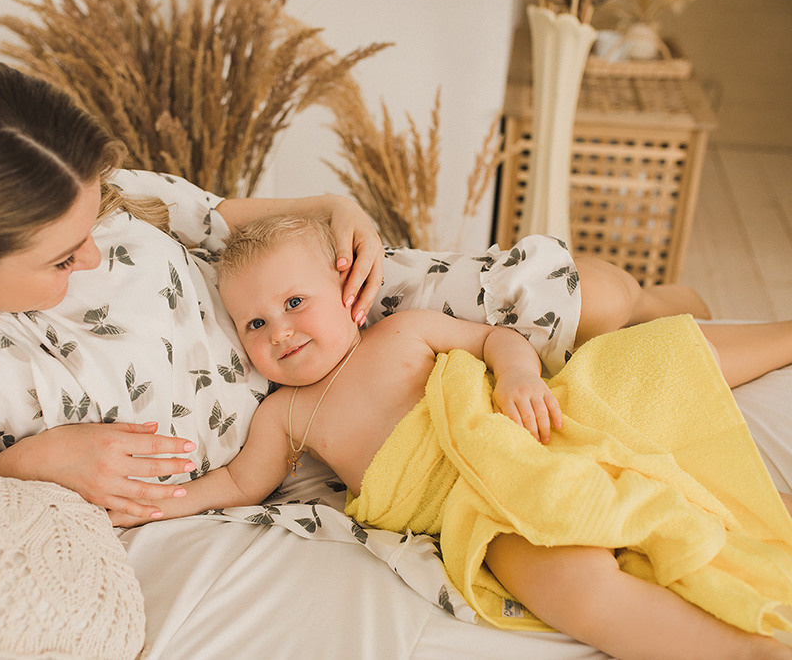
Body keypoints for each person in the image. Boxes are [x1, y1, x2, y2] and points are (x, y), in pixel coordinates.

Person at [0, 57, 727, 528]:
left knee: (580, 294)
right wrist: (40, 457)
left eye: (97, 218)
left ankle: (656, 302)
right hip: (289, 420)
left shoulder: (73, 201)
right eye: (63, 256)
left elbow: (214, 216)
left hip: (305, 301)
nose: (94, 253)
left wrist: (328, 206)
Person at [116, 214, 792, 659]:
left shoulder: (401, 331)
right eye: (253, 325)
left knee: (648, 363)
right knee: (564, 587)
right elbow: (239, 482)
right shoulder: (285, 415)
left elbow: (495, 337)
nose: (279, 331)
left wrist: (520, 373)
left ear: (346, 288)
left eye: (293, 303)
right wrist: (166, 501)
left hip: (529, 430)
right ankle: (745, 650)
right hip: (475, 507)